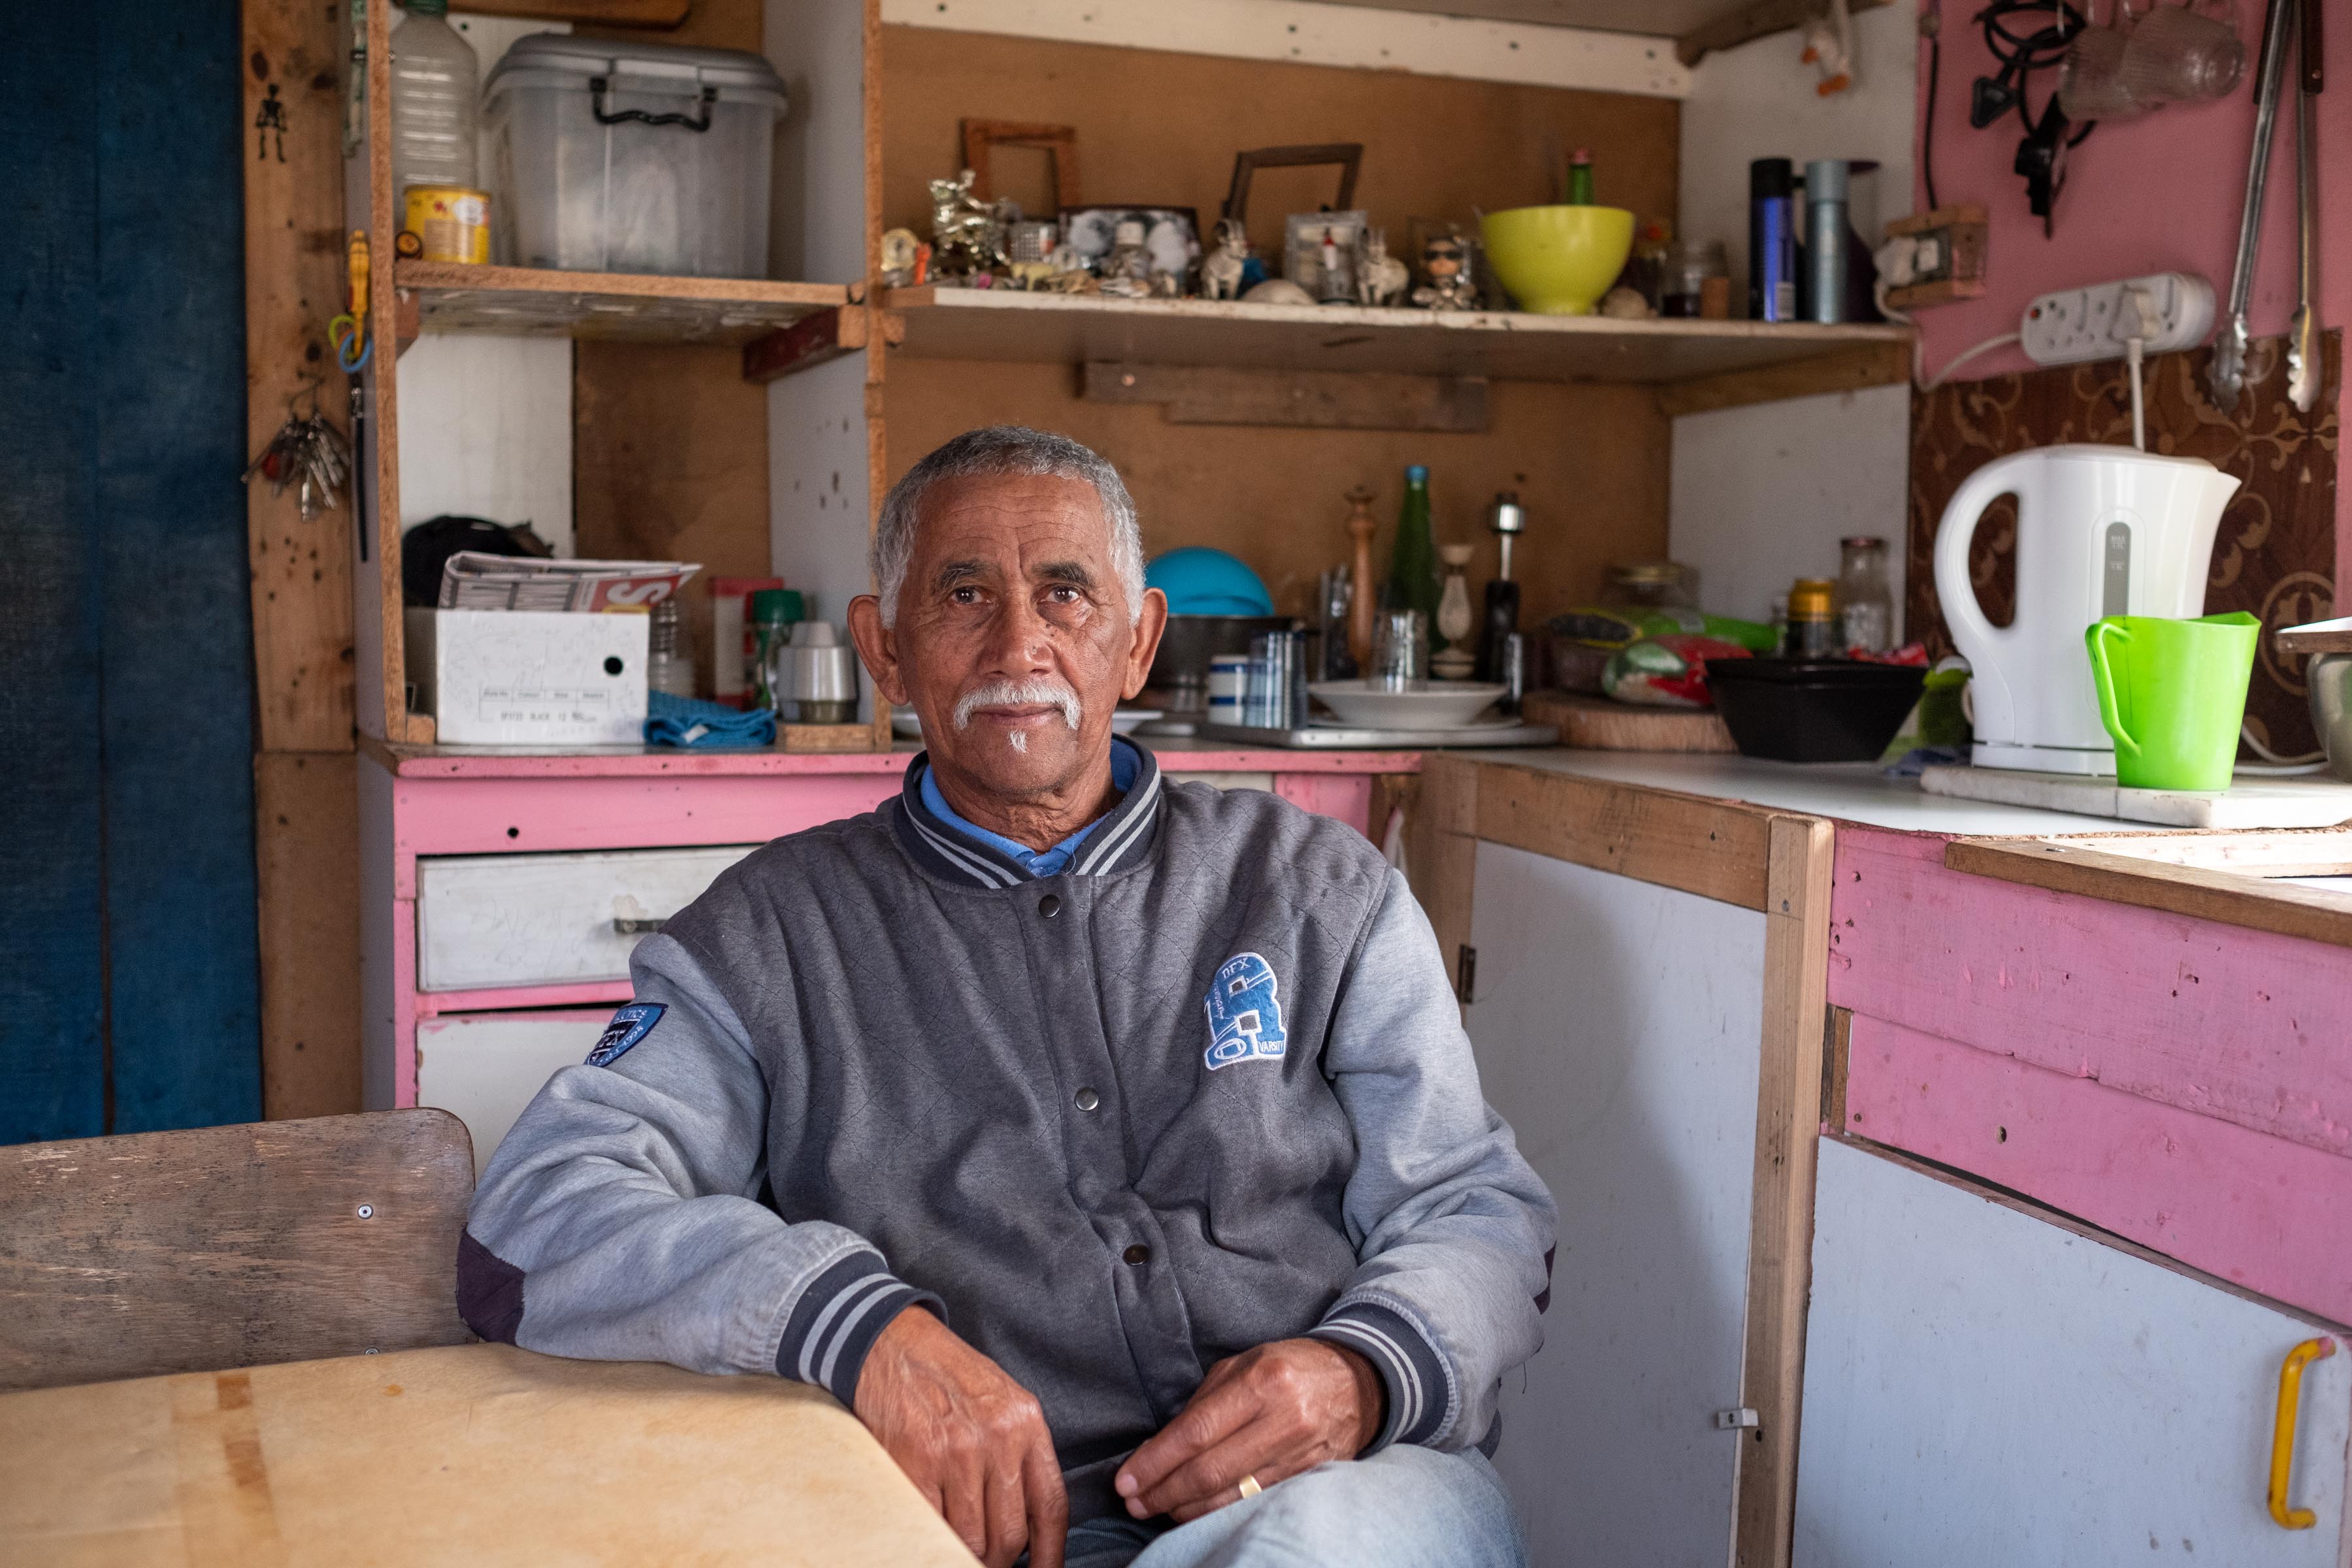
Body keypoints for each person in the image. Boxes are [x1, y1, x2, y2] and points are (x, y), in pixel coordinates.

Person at [457, 426, 1557, 1568]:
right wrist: (851, 1323)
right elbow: (533, 1217)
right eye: (965, 593)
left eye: (1067, 593)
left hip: (1337, 1497)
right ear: (886, 651)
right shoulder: (766, 937)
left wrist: (1362, 1373)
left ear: (1139, 642)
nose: (1018, 644)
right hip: (947, 1531)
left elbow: (1477, 1207)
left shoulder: (1322, 890)